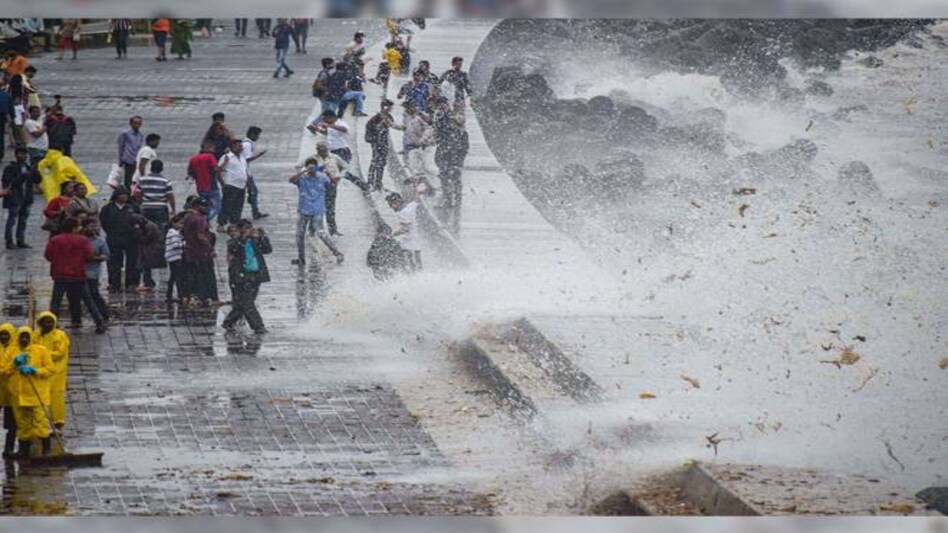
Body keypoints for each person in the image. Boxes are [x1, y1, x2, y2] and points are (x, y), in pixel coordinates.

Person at [45, 217, 107, 332]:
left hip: (60, 275)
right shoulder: (82, 240)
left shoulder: (55, 240)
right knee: (88, 300)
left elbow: (48, 255)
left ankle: (51, 324)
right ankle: (99, 323)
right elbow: (89, 256)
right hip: (77, 274)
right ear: (74, 228)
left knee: (55, 302)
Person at [6, 327, 52, 458]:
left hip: (37, 393)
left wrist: (35, 370)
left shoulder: (41, 351)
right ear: (18, 337)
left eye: (27, 337)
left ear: (31, 337)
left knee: (41, 422)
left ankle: (46, 451)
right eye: (22, 337)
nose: (24, 339)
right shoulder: (11, 351)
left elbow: (50, 369)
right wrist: (14, 363)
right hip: (18, 395)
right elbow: (4, 370)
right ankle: (23, 451)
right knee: (22, 423)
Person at [305, 140, 367, 237]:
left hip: (331, 185)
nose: (320, 150)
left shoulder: (334, 157)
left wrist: (339, 176)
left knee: (330, 207)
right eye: (318, 148)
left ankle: (332, 229)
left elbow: (345, 167)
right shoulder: (312, 159)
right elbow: (303, 169)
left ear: (327, 149)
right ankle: (312, 229)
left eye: (322, 148)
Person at [289, 161, 344, 266]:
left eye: (313, 168)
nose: (311, 170)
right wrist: (303, 172)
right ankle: (301, 258)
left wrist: (329, 174)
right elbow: (291, 180)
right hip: (304, 209)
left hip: (317, 209)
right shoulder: (302, 178)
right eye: (309, 168)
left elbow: (332, 184)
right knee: (299, 234)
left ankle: (337, 252)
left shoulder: (322, 178)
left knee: (320, 233)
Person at [222, 219, 271, 335]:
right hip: (241, 276)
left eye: (250, 228)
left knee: (243, 303)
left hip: (255, 275)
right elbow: (234, 249)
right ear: (240, 230)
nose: (250, 231)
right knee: (247, 303)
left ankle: (229, 322)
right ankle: (258, 326)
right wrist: (243, 237)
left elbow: (267, 250)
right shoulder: (234, 242)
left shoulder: (255, 241)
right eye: (246, 229)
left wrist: (263, 237)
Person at [433, 97, 470, 235]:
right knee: (444, 178)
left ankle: (456, 198)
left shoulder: (462, 135)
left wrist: (459, 162)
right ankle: (448, 198)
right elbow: (439, 142)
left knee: (455, 179)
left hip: (454, 161)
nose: (455, 126)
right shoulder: (446, 133)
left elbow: (465, 149)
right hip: (444, 159)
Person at [99, 186, 141, 293]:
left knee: (132, 261)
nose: (123, 197)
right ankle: (114, 283)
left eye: (125, 195)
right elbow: (103, 221)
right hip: (114, 238)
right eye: (121, 195)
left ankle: (131, 283)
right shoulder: (108, 208)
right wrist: (111, 231)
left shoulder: (133, 207)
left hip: (131, 239)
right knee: (114, 262)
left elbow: (140, 221)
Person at [33, 311, 69, 434]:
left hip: (56, 372)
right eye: (45, 322)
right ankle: (40, 424)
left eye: (50, 322)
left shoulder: (60, 335)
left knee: (56, 397)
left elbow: (60, 353)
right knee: (40, 397)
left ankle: (58, 424)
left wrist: (43, 355)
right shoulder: (36, 336)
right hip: (41, 372)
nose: (48, 324)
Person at [181, 197, 218, 304]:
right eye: (205, 206)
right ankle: (204, 297)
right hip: (201, 252)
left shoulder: (187, 216)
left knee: (193, 275)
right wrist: (210, 248)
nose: (207, 209)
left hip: (190, 251)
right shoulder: (199, 218)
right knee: (204, 275)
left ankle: (193, 296)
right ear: (197, 206)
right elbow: (200, 235)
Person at [2, 147, 40, 249]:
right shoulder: (10, 168)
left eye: (25, 154)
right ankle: (9, 241)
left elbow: (36, 180)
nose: (23, 156)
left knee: (23, 220)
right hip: (14, 198)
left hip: (26, 198)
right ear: (16, 155)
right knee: (12, 220)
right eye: (21, 154)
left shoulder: (27, 167)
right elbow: (11, 182)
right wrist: (24, 176)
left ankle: (20, 240)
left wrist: (35, 171)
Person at [364, 99, 404, 192]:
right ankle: (371, 182)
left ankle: (378, 183)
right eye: (389, 107)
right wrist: (382, 123)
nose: (390, 109)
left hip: (384, 143)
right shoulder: (376, 118)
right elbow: (376, 129)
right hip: (376, 143)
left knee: (381, 163)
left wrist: (404, 127)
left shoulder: (388, 116)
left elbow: (393, 125)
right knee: (375, 162)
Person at [386, 186, 424, 271]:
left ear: (398, 202)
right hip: (416, 242)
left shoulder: (404, 213)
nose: (391, 207)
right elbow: (417, 200)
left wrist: (390, 235)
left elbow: (405, 229)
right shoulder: (409, 207)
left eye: (392, 204)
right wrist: (416, 188)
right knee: (418, 265)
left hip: (408, 245)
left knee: (411, 267)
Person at [216, 139, 249, 231]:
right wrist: (222, 183)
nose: (241, 147)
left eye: (241, 146)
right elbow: (218, 170)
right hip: (231, 185)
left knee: (238, 205)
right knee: (227, 205)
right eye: (239, 146)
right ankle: (221, 224)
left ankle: (234, 223)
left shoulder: (242, 157)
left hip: (241, 185)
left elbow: (244, 169)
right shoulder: (227, 157)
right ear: (233, 147)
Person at [404, 101, 438, 186]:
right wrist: (392, 125)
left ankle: (439, 180)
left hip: (427, 145)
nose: (406, 110)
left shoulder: (421, 117)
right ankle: (419, 180)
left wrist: (421, 141)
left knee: (428, 166)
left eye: (408, 108)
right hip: (415, 145)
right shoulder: (409, 118)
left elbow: (429, 129)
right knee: (414, 163)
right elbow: (406, 128)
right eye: (406, 108)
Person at [82, 218, 110, 321]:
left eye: (95, 226)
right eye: (91, 226)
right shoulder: (79, 239)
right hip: (78, 272)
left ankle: (104, 314)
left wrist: (96, 258)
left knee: (93, 293)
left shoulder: (99, 241)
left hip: (93, 272)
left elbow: (106, 255)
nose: (94, 228)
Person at [188, 142, 221, 223]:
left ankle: (204, 221)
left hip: (200, 187)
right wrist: (224, 164)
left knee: (206, 206)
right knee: (217, 207)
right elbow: (216, 169)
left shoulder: (193, 158)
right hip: (211, 186)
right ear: (206, 148)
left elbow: (190, 172)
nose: (214, 150)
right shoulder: (210, 156)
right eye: (212, 147)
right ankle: (205, 220)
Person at [130, 214, 165, 293]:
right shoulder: (149, 225)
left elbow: (145, 239)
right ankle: (148, 282)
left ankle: (148, 283)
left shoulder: (149, 227)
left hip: (152, 248)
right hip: (151, 247)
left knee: (145, 265)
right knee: (145, 266)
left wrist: (137, 231)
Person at [137, 159, 175, 228]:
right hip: (161, 208)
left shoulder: (142, 180)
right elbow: (170, 196)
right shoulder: (166, 181)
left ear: (151, 168)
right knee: (162, 228)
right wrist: (173, 209)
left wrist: (139, 204)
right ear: (161, 169)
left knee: (146, 228)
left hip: (146, 207)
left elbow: (138, 195)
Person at [241, 127, 269, 220]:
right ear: (252, 134)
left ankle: (254, 207)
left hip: (245, 171)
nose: (258, 137)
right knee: (253, 191)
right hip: (244, 172)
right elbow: (247, 159)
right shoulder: (247, 145)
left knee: (252, 191)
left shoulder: (246, 143)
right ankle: (255, 211)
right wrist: (259, 154)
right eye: (257, 135)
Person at [0, 323, 18, 457]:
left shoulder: (16, 350)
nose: (4, 337)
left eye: (7, 334)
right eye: (2, 334)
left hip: (11, 394)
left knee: (11, 424)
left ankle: (9, 448)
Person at [118, 116, 144, 189]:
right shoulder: (125, 134)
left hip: (137, 160)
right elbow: (121, 147)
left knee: (135, 179)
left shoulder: (140, 135)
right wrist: (120, 160)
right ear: (131, 123)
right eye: (135, 123)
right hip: (128, 159)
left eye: (139, 123)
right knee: (128, 179)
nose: (137, 125)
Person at [164, 212, 186, 301]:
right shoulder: (174, 233)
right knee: (177, 276)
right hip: (175, 257)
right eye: (180, 223)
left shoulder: (172, 232)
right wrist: (184, 244)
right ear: (173, 223)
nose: (181, 226)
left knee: (173, 276)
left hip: (171, 257)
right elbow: (175, 245)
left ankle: (169, 295)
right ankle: (180, 295)